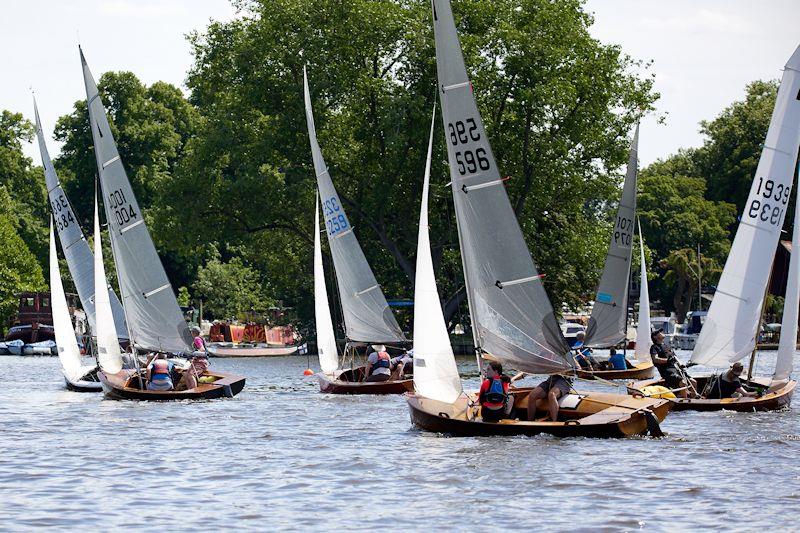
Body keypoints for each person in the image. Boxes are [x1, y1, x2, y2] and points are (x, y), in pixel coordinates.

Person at [650, 329, 696, 398]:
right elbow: (655, 359)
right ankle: (685, 400)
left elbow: (675, 357)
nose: (661, 332)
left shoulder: (666, 346)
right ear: (655, 337)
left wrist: (681, 364)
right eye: (659, 332)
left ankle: (694, 399)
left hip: (676, 369)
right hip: (667, 371)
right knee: (682, 383)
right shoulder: (654, 347)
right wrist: (667, 361)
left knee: (693, 382)